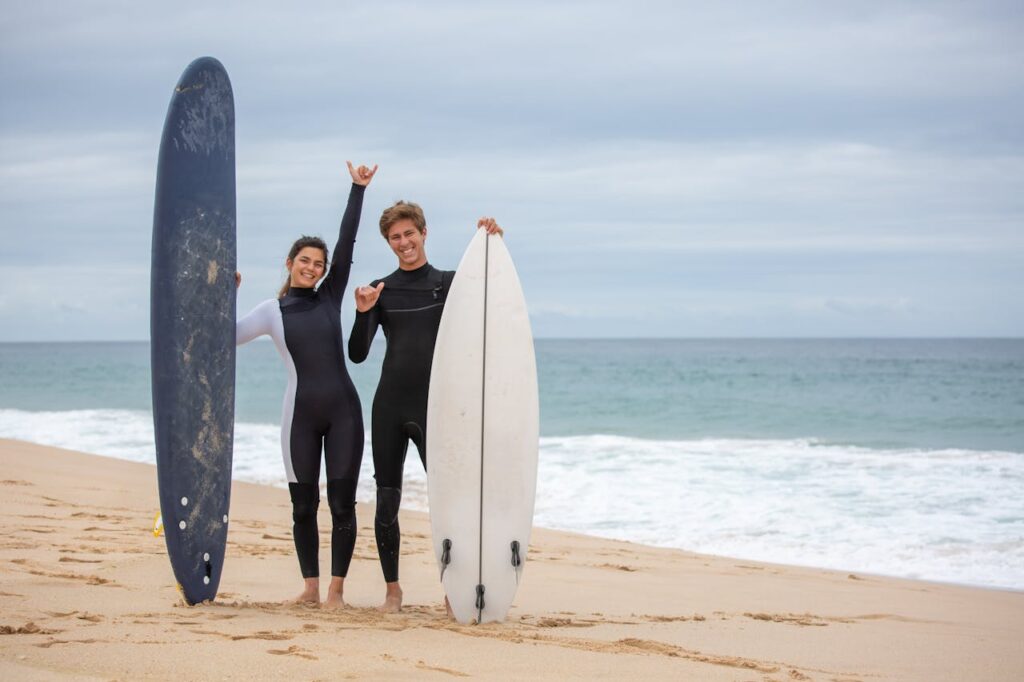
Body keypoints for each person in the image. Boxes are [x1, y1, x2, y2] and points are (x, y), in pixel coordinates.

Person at [235, 161, 377, 608]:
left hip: (344, 414)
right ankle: (310, 588)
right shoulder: (271, 311)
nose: (313, 268)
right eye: (305, 261)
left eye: (318, 263)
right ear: (290, 263)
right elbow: (227, 336)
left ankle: (336, 590)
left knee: (342, 506)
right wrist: (227, 293)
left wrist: (357, 190)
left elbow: (347, 243)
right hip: (299, 415)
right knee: (302, 507)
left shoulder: (332, 296)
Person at [348, 200, 503, 612]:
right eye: (395, 237)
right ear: (388, 242)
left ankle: (454, 591)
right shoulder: (379, 289)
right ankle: (393, 592)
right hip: (389, 406)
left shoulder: (449, 283)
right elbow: (357, 354)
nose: (403, 243)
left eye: (409, 234)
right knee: (386, 501)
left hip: (436, 407)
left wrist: (492, 241)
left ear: (424, 232)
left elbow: (493, 290)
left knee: (451, 502)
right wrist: (364, 313)